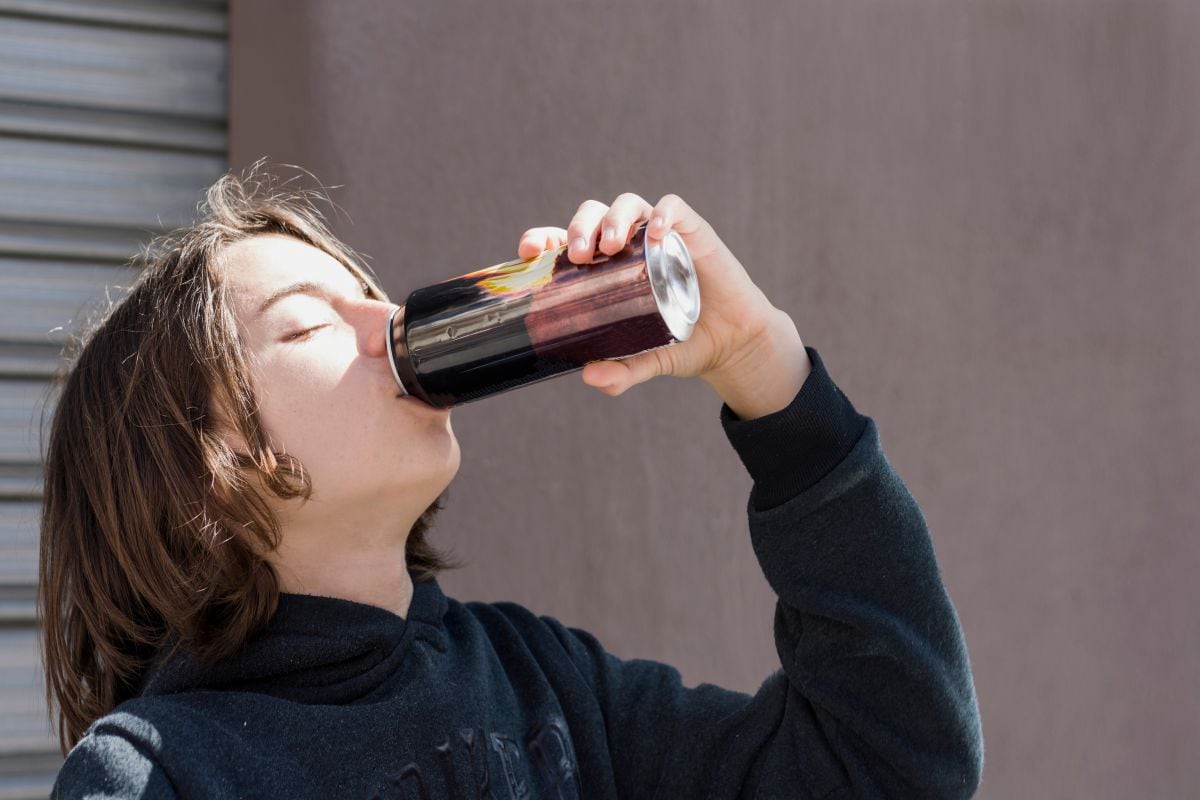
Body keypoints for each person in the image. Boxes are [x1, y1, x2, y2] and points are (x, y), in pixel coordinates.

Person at [42, 164, 984, 799]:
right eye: (308, 325)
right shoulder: (156, 773)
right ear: (202, 478)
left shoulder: (542, 684)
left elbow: (892, 764)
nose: (393, 322)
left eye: (374, 293)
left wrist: (770, 378)